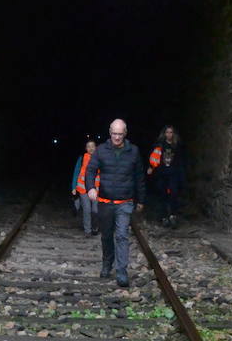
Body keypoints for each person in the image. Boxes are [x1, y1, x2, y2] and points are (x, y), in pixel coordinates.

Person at [84, 119, 144, 288]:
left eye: (120, 134)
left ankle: (122, 271)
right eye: (114, 134)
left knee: (122, 235)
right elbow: (90, 170)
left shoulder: (133, 152)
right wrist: (90, 188)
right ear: (110, 132)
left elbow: (139, 177)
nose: (117, 137)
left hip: (125, 202)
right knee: (107, 235)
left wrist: (141, 199)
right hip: (105, 201)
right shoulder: (101, 151)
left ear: (125, 133)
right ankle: (107, 263)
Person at [147, 125, 187, 228]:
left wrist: (181, 175)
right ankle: (164, 217)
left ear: (173, 134)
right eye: (167, 132)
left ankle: (173, 216)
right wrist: (151, 167)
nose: (169, 134)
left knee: (173, 194)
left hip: (173, 174)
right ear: (164, 134)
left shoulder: (177, 146)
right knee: (163, 195)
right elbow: (154, 158)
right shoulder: (160, 145)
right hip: (162, 174)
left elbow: (180, 161)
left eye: (171, 132)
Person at [70, 139, 98, 236]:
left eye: (92, 146)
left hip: (96, 189)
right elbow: (76, 173)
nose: (90, 148)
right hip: (83, 189)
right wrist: (74, 187)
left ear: (96, 147)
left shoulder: (100, 158)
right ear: (86, 148)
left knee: (95, 210)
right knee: (87, 210)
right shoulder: (82, 159)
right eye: (88, 146)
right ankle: (87, 231)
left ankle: (95, 227)